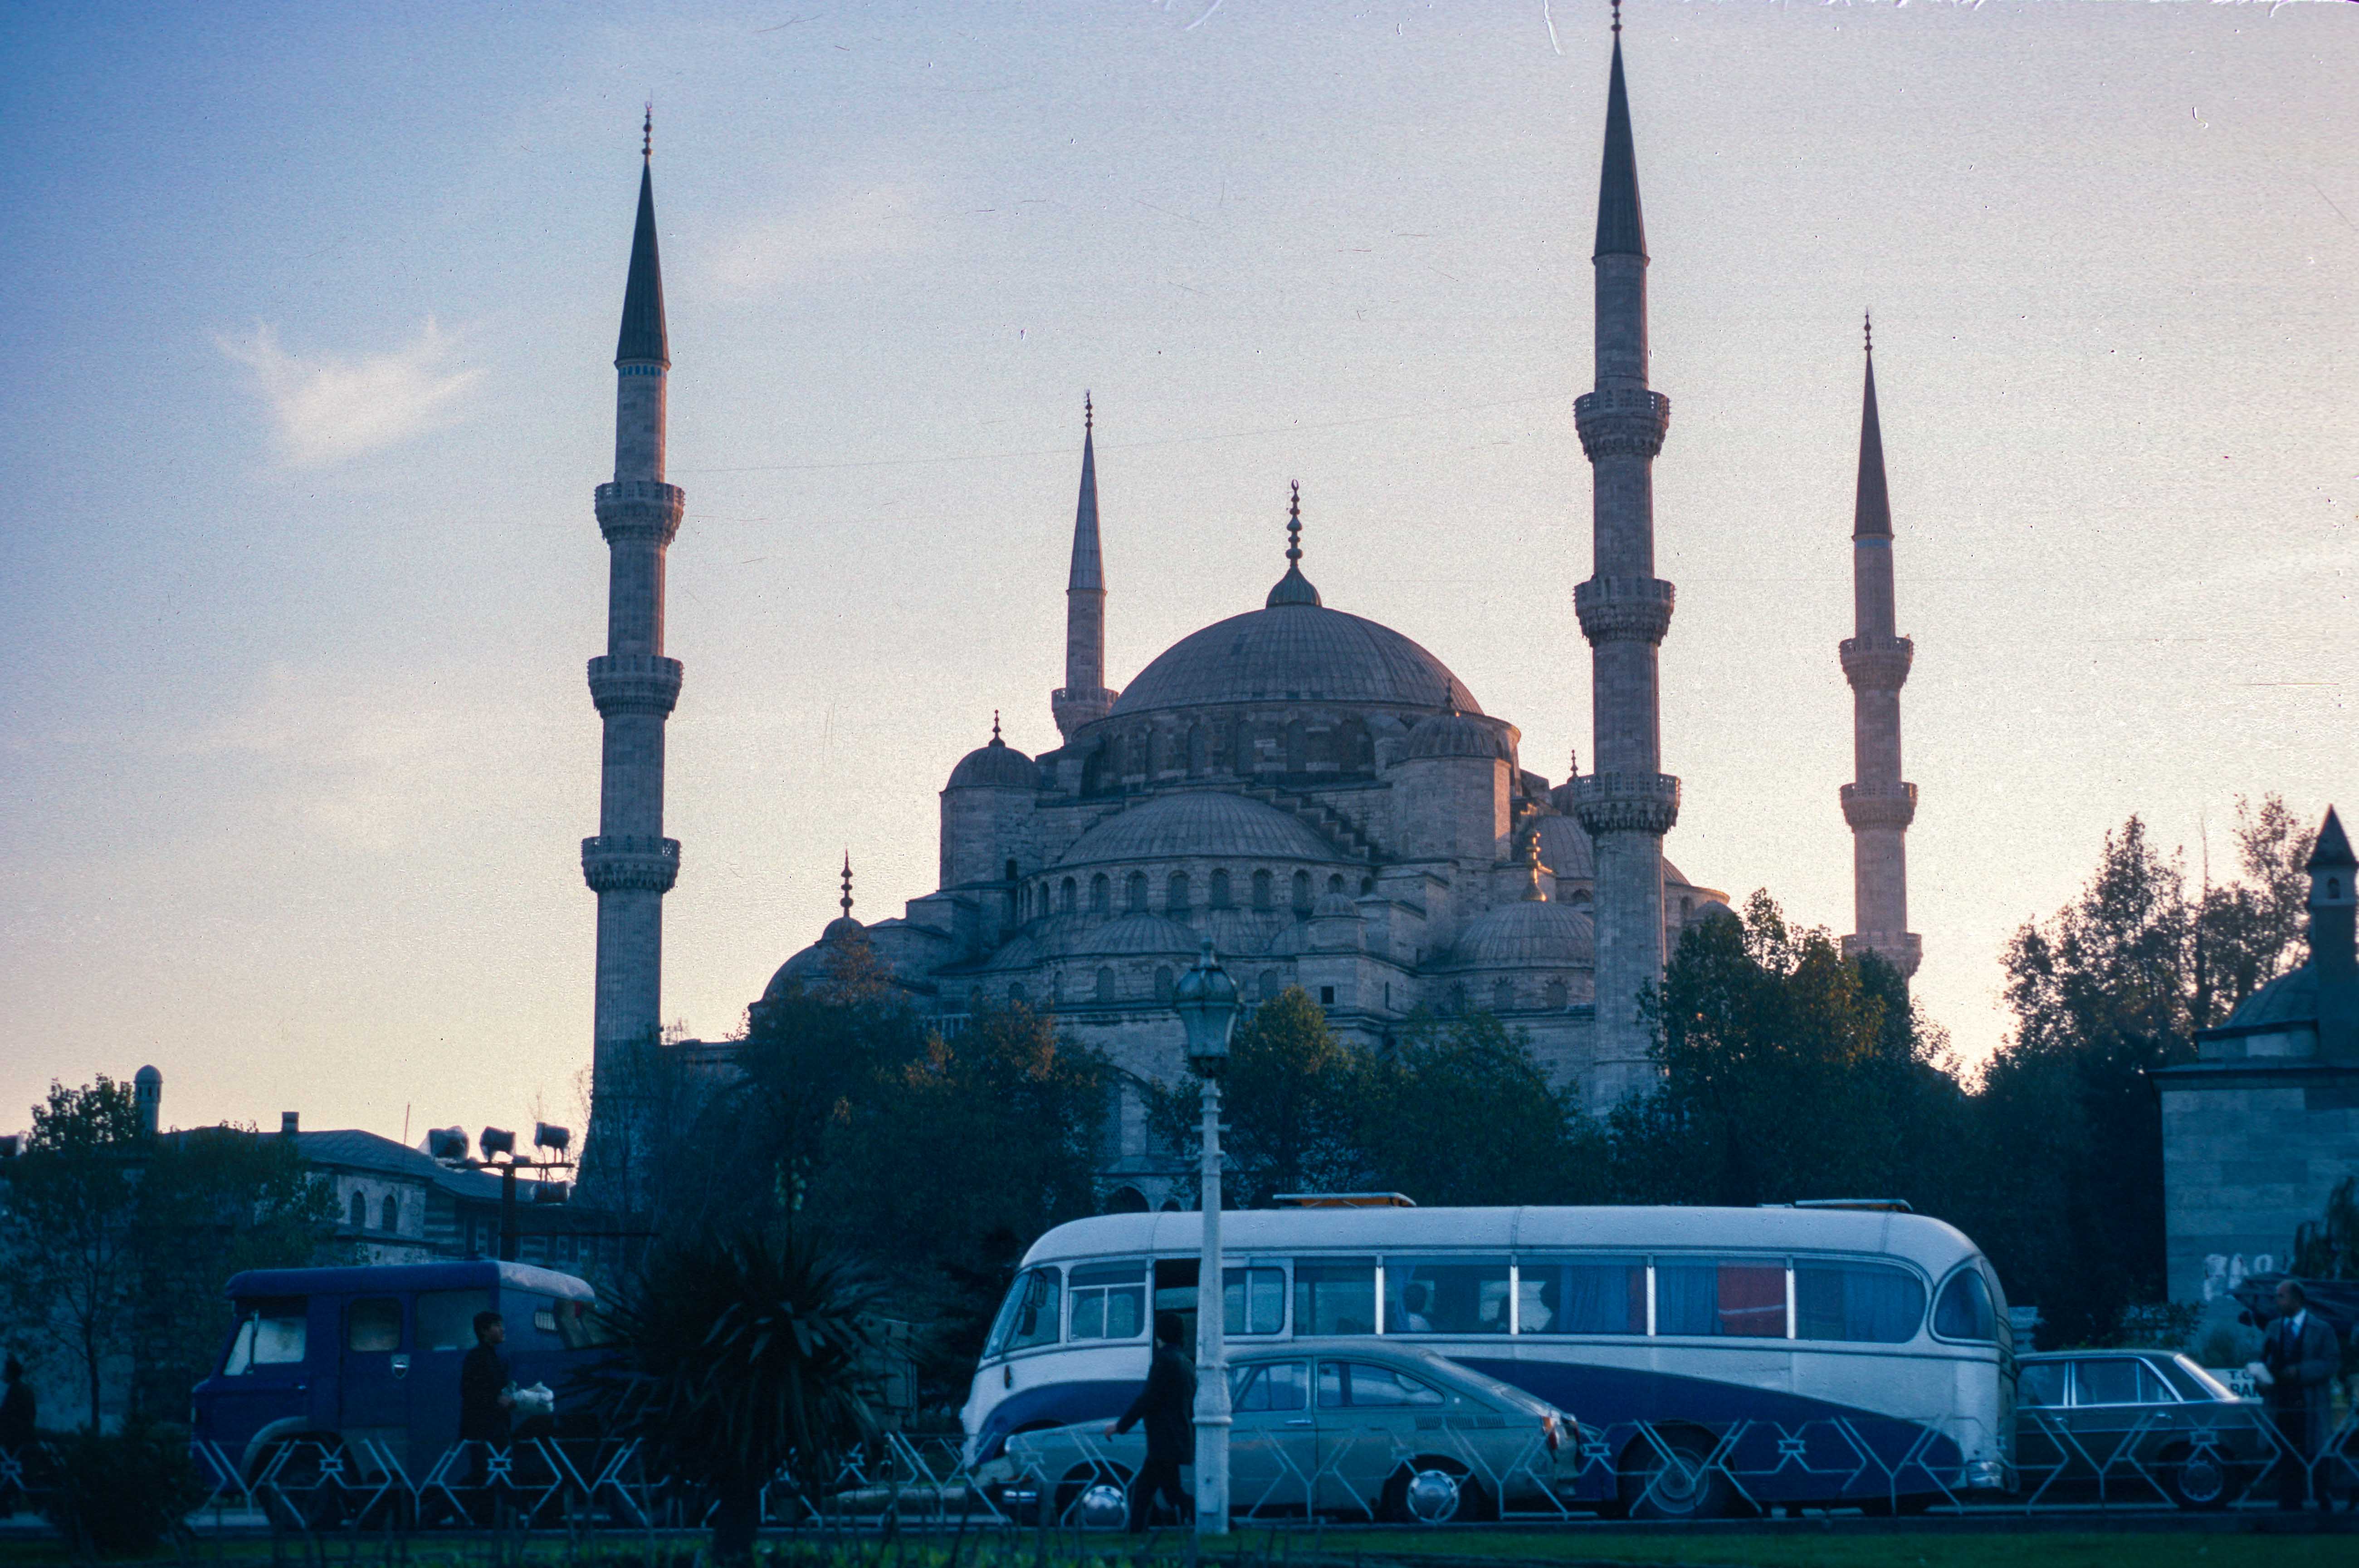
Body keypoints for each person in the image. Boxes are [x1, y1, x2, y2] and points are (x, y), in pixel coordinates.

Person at [2256, 1280, 2341, 1510]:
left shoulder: (2321, 1329)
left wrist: (2300, 1372)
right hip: (2281, 1403)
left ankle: (2323, 1498)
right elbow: (2264, 1359)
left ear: (2297, 1299)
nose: (2277, 1301)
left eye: (2281, 1296)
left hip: (2310, 1403)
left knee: (2315, 1450)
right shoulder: (2273, 1328)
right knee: (2286, 1452)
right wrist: (2261, 1379)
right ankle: (2289, 1503)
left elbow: (2331, 1363)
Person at [1107, 1311, 1194, 1532]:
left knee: (1145, 1490)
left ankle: (1136, 1532)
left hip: (1163, 1439)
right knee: (1170, 1493)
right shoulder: (1185, 1362)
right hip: (1176, 1437)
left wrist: (1120, 1426)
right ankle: (1139, 1531)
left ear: (1161, 1334)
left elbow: (1147, 1398)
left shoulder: (1164, 1361)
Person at [457, 1311, 516, 1515]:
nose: (502, 1329)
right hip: (480, 1428)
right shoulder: (477, 1357)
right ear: (484, 1331)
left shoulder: (497, 1357)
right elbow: (469, 1391)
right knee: (482, 1473)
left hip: (497, 1426)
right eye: (497, 1325)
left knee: (497, 1470)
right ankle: (441, 1509)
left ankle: (491, 1513)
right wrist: (496, 1400)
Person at [0, 1356, 34, 1519]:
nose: (2, 1375)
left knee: (8, 1470)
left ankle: (6, 1506)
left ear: (10, 1373)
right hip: (24, 1438)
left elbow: (7, 1416)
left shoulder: (15, 1391)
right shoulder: (26, 1390)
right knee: (17, 1472)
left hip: (14, 1440)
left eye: (5, 1371)